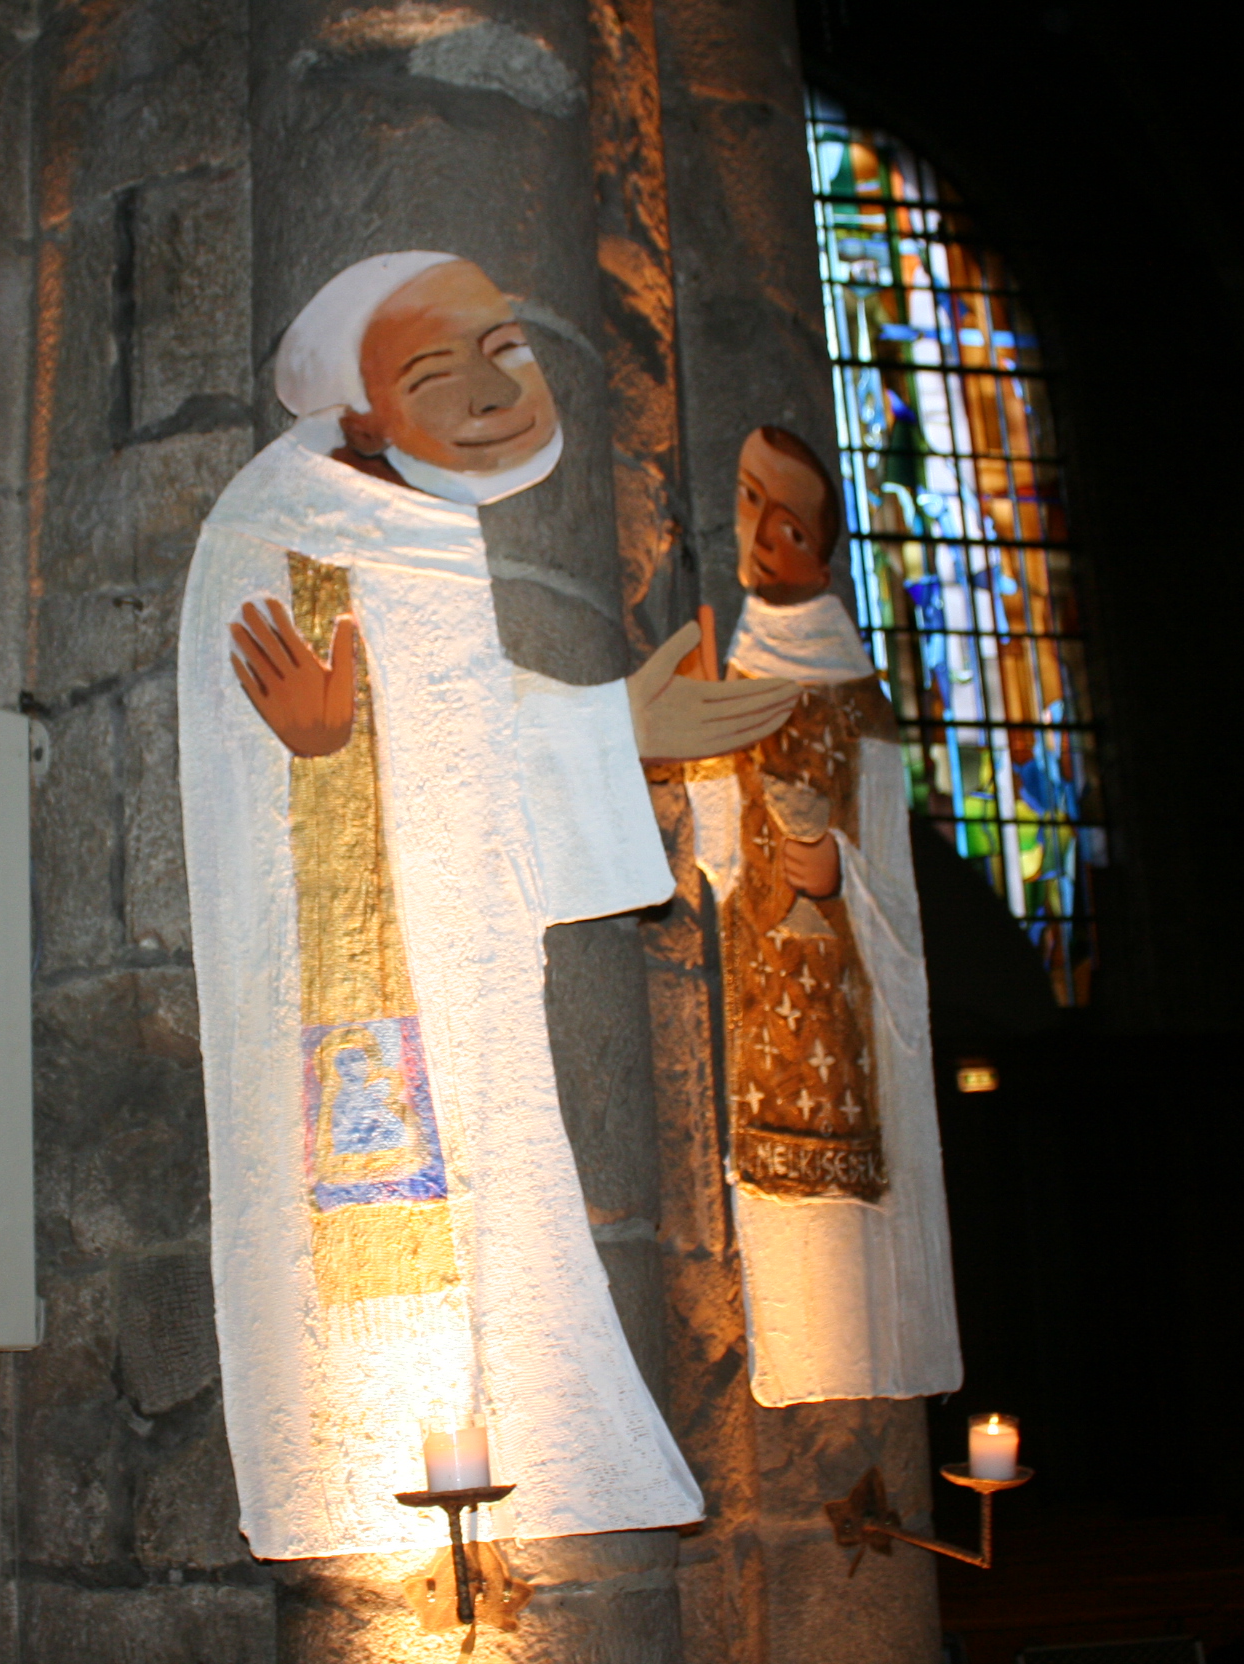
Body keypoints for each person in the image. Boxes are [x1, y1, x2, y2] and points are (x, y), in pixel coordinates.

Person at [179, 252, 798, 1560]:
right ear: (356, 410)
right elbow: (274, 738)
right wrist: (310, 748)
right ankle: (405, 1482)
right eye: (428, 368)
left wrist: (618, 724)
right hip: (361, 985)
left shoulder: (418, 525)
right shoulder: (280, 518)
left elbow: (465, 731)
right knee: (404, 1247)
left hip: (459, 977)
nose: (484, 388)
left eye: (500, 349)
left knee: (510, 1233)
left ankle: (514, 1455)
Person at [683, 426, 961, 1406]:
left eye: (789, 523)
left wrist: (835, 869)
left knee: (851, 1269)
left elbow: (894, 878)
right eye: (752, 502)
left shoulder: (858, 701)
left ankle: (860, 1387)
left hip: (845, 1036)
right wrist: (700, 751)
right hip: (760, 1021)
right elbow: (717, 863)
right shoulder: (735, 672)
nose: (762, 534)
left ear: (822, 549)